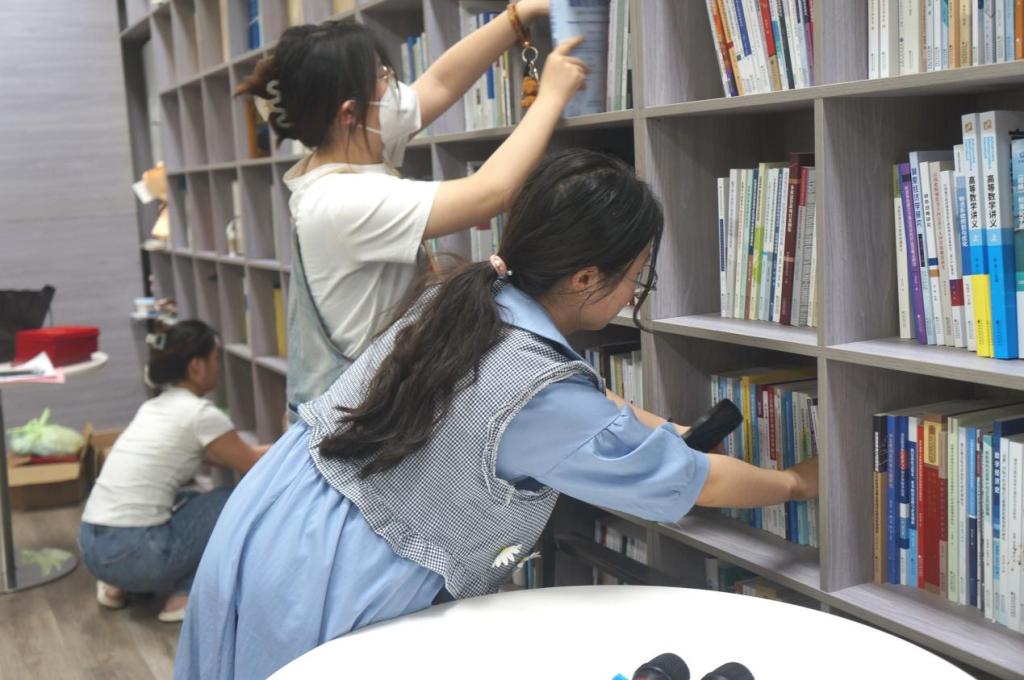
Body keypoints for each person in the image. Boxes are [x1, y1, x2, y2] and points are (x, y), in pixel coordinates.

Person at [173, 150, 819, 679]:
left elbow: (576, 405)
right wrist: (795, 483)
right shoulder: (543, 389)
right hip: (335, 570)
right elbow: (689, 480)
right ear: (585, 278)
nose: (634, 293)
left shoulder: (466, 299)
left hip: (276, 513)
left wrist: (660, 429)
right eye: (636, 276)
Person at [234, 0, 588, 414]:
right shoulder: (341, 200)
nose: (396, 88)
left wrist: (517, 16)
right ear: (349, 112)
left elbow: (438, 84)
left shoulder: (352, 143)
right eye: (383, 77)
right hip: (355, 418)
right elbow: (490, 194)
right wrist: (550, 97)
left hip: (379, 392)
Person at [78, 320, 270, 622]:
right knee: (231, 501)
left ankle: (117, 586)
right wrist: (295, 439)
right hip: (136, 551)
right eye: (215, 358)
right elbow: (252, 464)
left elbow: (216, 455)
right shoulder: (200, 414)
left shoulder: (154, 407)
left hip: (91, 547)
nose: (218, 367)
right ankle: (183, 595)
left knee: (189, 499)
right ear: (196, 366)